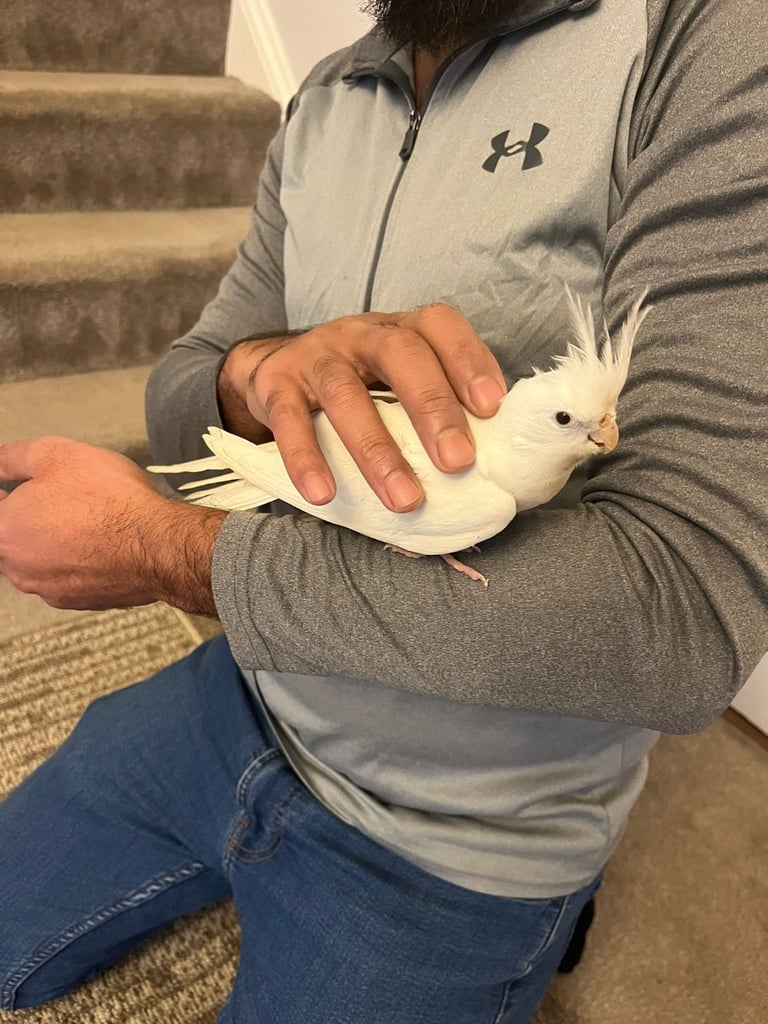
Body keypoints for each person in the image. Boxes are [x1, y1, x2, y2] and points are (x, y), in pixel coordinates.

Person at [0, 0, 766, 1020]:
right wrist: (257, 370)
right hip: (244, 691)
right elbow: (180, 393)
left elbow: (681, 616)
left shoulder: (709, 40)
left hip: (456, 840)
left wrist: (166, 548)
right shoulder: (325, 99)